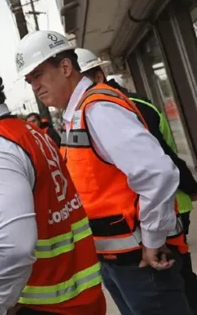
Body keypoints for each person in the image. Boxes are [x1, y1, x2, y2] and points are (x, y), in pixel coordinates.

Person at [15, 30, 191, 315]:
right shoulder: (78, 114)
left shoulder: (98, 109)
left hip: (140, 258)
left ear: (65, 67)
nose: (35, 85)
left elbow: (157, 173)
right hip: (118, 257)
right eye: (30, 80)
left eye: (38, 75)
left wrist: (153, 240)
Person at [0, 53, 104, 315]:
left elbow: (16, 246)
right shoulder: (29, 133)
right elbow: (42, 209)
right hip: (77, 299)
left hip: (36, 305)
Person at [76, 47, 197, 313]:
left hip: (166, 208)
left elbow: (159, 161)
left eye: (84, 77)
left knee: (182, 285)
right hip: (157, 210)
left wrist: (189, 187)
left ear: (99, 74)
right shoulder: (92, 109)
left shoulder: (108, 107)